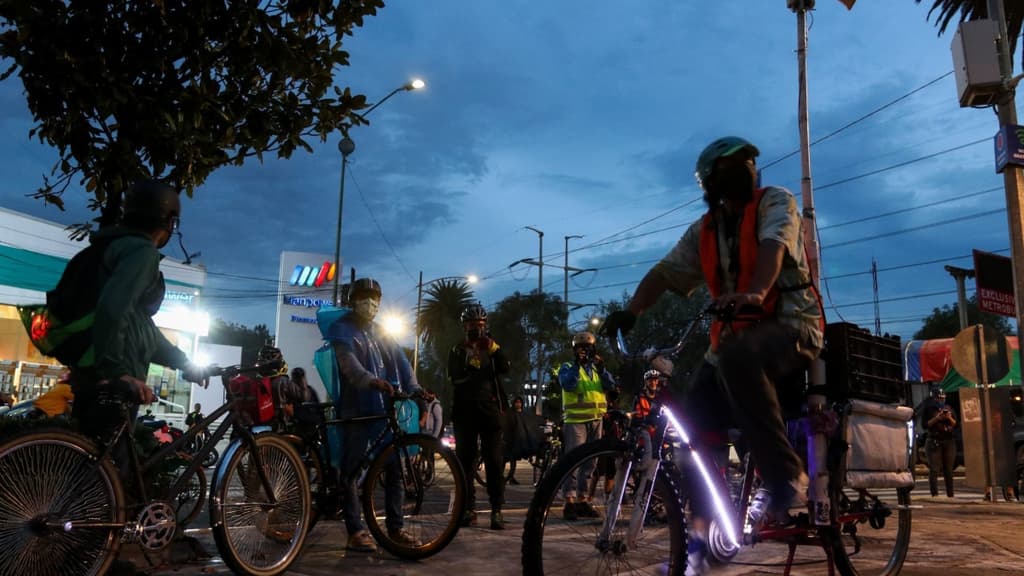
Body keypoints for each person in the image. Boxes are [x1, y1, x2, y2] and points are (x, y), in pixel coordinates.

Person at [600, 136, 824, 574]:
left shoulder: (775, 201)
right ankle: (701, 545)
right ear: (711, 182)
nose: (748, 168)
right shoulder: (702, 231)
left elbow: (773, 247)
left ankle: (785, 475)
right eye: (734, 165)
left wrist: (757, 292)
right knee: (692, 428)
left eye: (750, 162)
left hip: (792, 329)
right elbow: (665, 272)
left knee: (739, 358)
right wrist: (629, 313)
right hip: (732, 342)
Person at [327, 277, 423, 552]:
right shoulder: (341, 329)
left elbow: (403, 364)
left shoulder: (381, 332)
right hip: (356, 409)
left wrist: (416, 388)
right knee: (351, 472)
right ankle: (355, 531)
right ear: (352, 300)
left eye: (375, 299)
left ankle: (396, 528)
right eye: (364, 297)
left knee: (394, 469)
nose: (370, 303)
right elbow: (349, 365)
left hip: (382, 409)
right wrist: (371, 380)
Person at [447, 303, 511, 530]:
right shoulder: (457, 349)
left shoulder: (492, 347)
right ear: (465, 326)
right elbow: (454, 377)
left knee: (494, 461)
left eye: (481, 325)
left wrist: (494, 349)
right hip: (465, 412)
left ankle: (496, 509)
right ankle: (467, 508)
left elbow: (505, 368)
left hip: (489, 411)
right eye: (473, 325)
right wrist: (469, 362)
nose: (477, 329)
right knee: (465, 463)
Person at [557, 331, 616, 521]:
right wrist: (577, 365)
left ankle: (582, 500)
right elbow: (568, 385)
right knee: (573, 462)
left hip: (596, 420)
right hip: (575, 421)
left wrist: (601, 366)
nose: (585, 351)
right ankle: (569, 502)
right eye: (581, 348)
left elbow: (611, 385)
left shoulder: (597, 369)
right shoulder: (567, 367)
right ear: (575, 350)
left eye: (588, 348)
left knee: (590, 463)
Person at [921, 385, 957, 498]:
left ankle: (950, 494)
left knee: (949, 469)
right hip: (934, 440)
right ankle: (934, 493)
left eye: (942, 398)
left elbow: (956, 424)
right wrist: (937, 418)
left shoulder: (949, 408)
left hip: (948, 440)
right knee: (934, 468)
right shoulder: (928, 409)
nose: (941, 400)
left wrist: (949, 418)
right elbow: (924, 425)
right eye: (939, 398)